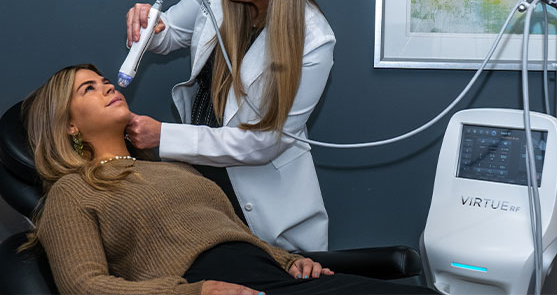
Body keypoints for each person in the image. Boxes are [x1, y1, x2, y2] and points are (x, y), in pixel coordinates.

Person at [20, 64, 437, 295]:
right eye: (89, 89)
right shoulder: (72, 193)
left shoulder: (173, 168)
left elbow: (231, 235)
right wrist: (196, 294)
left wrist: (290, 261)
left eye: (105, 81)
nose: (108, 86)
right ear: (70, 127)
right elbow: (84, 287)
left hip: (270, 276)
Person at [124, 0, 333, 251]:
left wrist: (165, 136)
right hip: (201, 184)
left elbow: (262, 144)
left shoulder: (313, 41)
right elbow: (171, 33)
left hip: (264, 203)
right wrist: (148, 25)